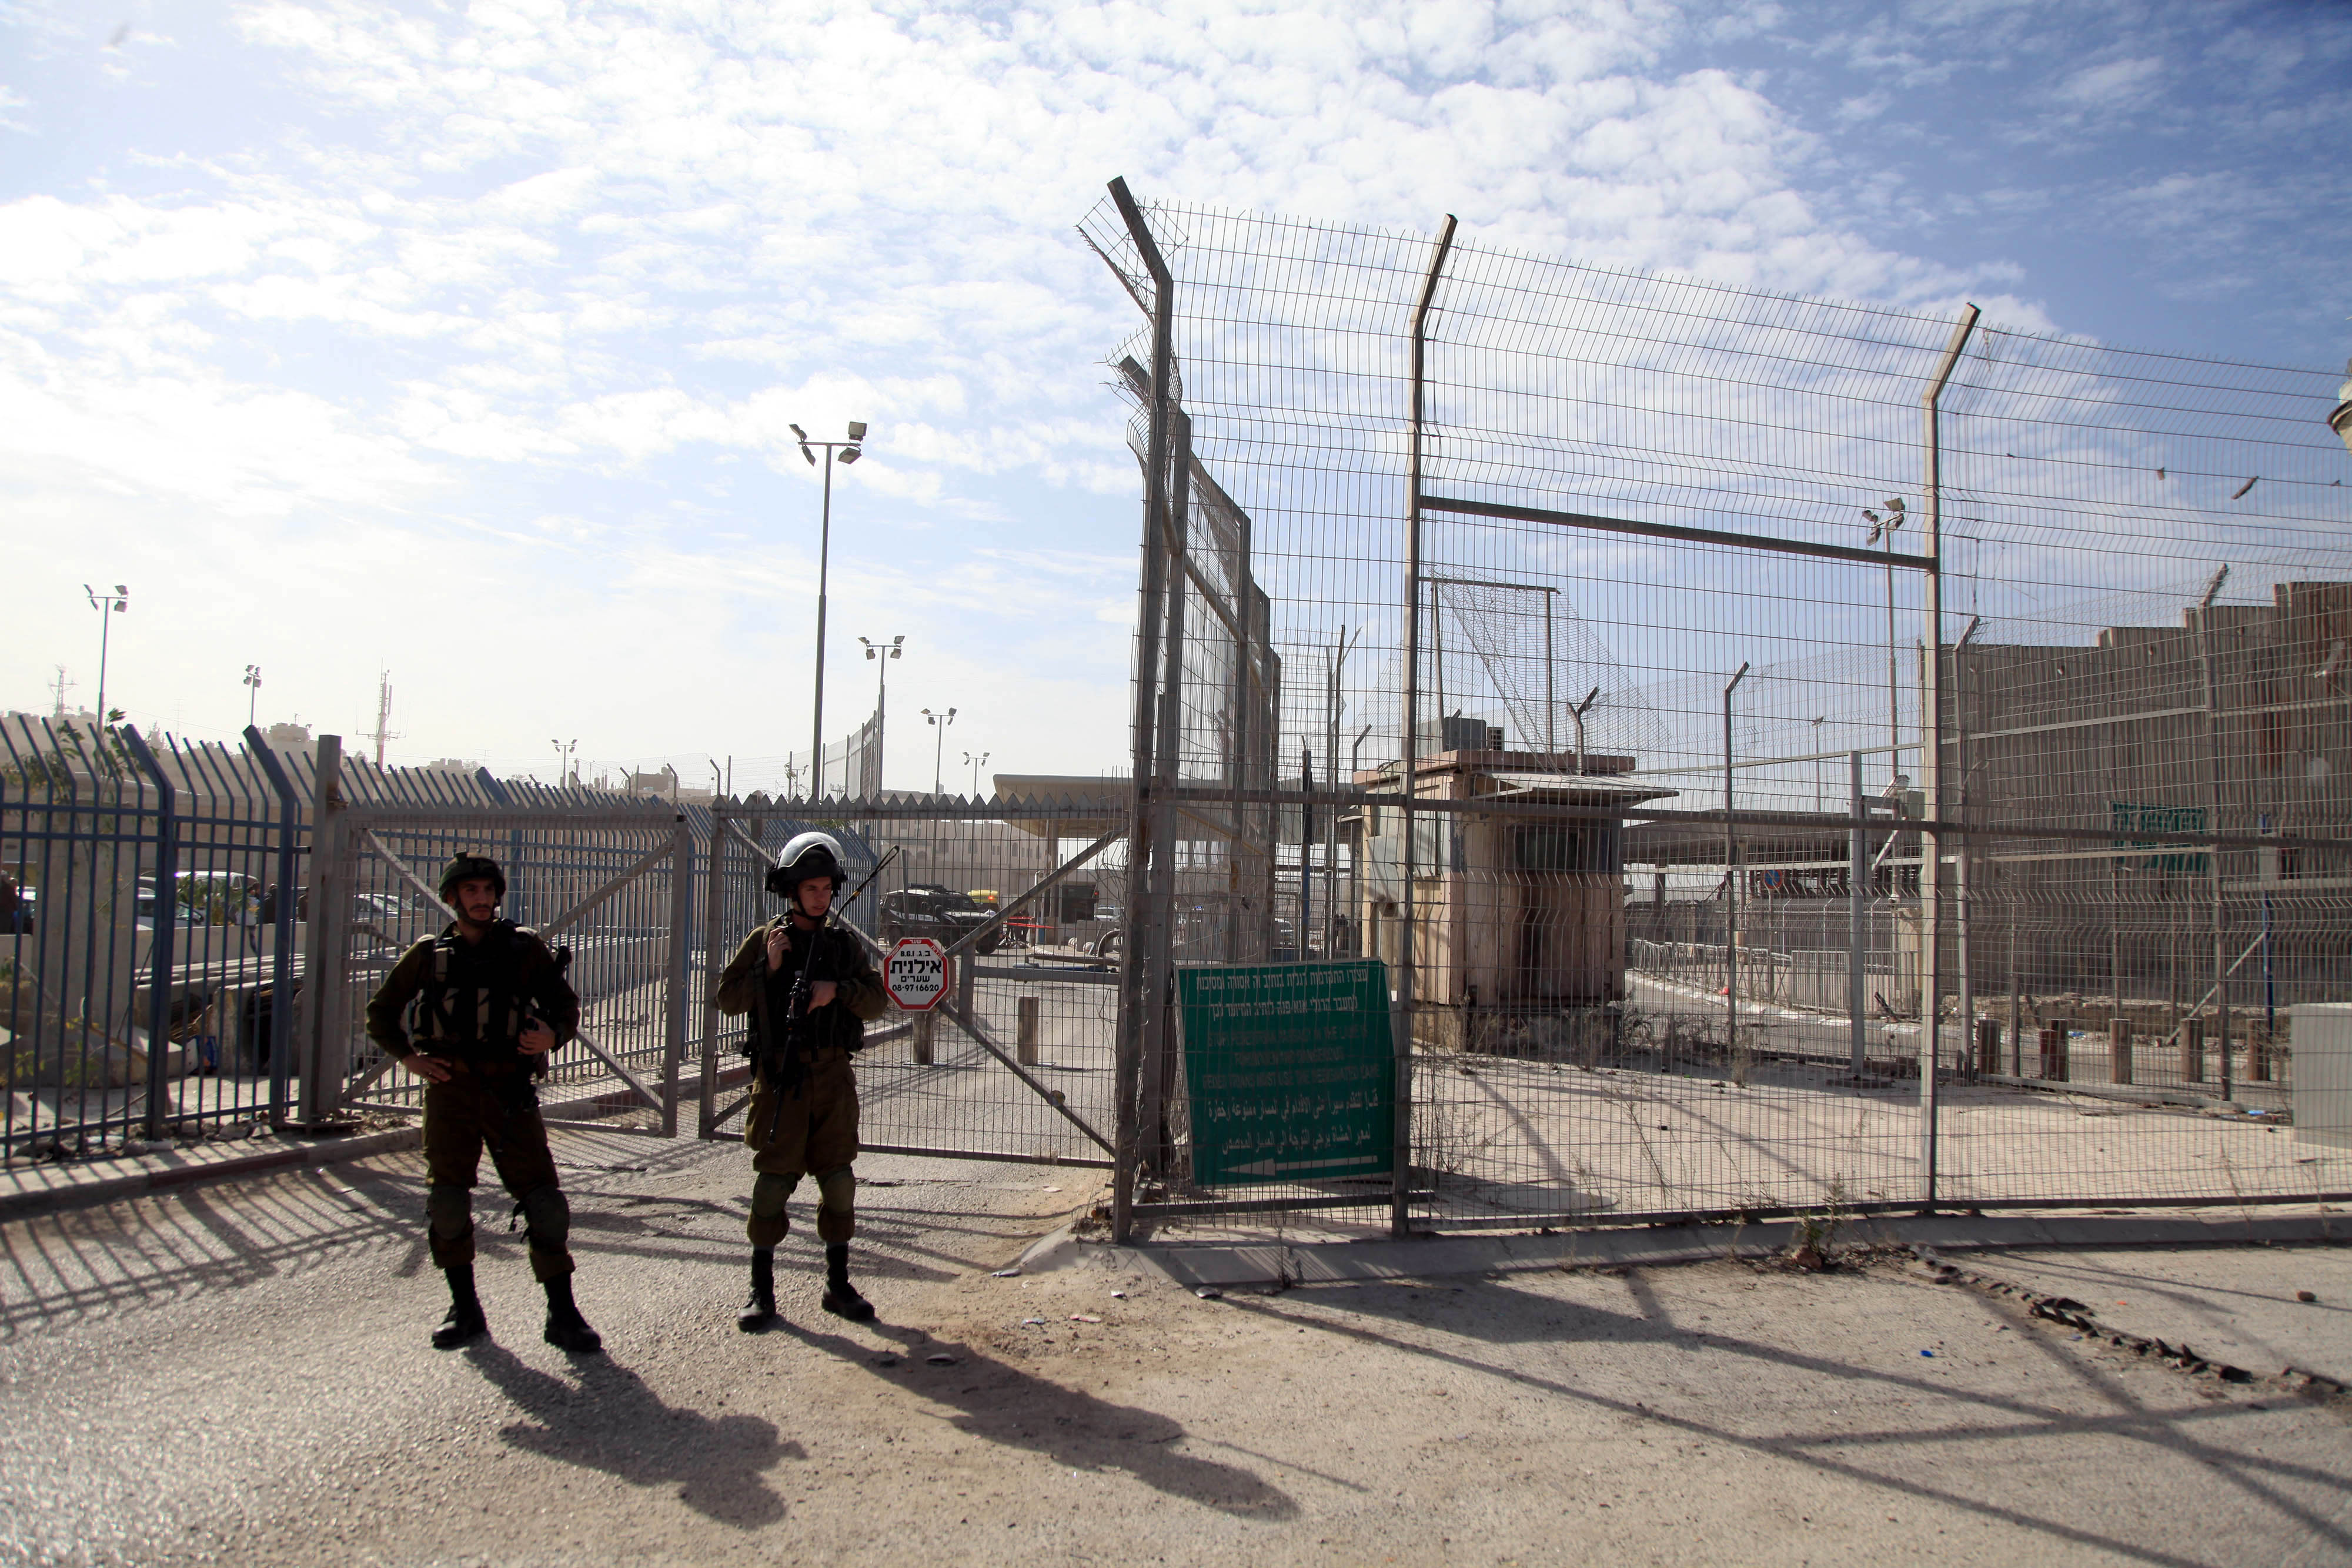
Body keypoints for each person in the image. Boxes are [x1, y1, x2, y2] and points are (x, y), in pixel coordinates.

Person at [364, 852, 601, 1353]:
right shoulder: (430, 955)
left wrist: (551, 1037)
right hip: (450, 1093)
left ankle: (562, 1313)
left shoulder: (523, 950)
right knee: (448, 1203)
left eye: (488, 891)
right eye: (470, 892)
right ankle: (464, 1309)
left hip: (509, 1091)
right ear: (453, 898)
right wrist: (409, 1057)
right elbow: (381, 1013)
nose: (481, 900)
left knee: (545, 1203)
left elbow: (565, 1006)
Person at [714, 831, 888, 1332]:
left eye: (824, 887)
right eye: (809, 887)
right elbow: (727, 998)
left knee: (838, 1182)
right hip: (781, 1080)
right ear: (792, 890)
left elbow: (877, 1001)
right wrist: (769, 969)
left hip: (832, 1077)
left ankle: (837, 1284)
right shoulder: (767, 939)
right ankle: (761, 1291)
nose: (818, 895)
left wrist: (837, 991)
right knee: (772, 1186)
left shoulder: (842, 945)